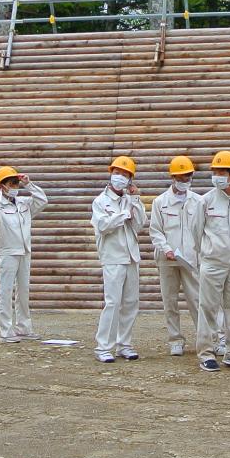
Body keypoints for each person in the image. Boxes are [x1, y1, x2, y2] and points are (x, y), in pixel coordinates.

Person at [191, 151, 230, 371]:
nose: (217, 176)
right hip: (212, 263)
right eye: (215, 171)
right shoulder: (205, 201)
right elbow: (195, 232)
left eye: (222, 172)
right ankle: (207, 353)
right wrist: (207, 254)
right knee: (208, 308)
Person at [90, 155, 145, 363]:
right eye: (117, 173)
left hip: (131, 256)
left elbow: (139, 225)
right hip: (113, 256)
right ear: (111, 173)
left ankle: (124, 344)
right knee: (112, 302)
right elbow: (103, 227)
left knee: (131, 302)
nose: (120, 177)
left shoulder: (129, 199)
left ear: (130, 179)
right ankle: (104, 346)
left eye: (125, 174)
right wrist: (123, 214)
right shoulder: (100, 201)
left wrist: (136, 200)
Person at [0, 165, 48, 343]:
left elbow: (43, 201)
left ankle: (24, 328)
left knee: (23, 291)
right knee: (5, 292)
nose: (15, 186)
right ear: (2, 185)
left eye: (16, 183)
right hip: (8, 253)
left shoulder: (23, 203)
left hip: (25, 251)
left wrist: (29, 185)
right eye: (12, 183)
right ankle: (6, 331)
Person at [149, 156, 200, 356]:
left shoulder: (198, 201)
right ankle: (175, 340)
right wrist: (166, 248)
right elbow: (155, 230)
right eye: (180, 176)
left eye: (187, 176)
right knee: (170, 301)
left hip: (190, 259)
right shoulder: (160, 202)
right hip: (167, 259)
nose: (183, 180)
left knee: (197, 300)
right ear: (172, 177)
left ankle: (205, 338)